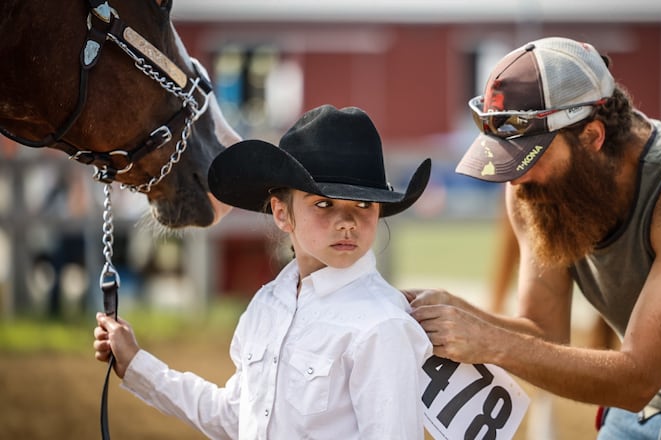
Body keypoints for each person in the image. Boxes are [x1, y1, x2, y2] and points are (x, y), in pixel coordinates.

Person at [406, 36, 661, 438]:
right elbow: (544, 333)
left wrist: (488, 341)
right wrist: (457, 313)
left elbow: (636, 379)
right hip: (645, 409)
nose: (515, 179)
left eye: (528, 156)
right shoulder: (532, 189)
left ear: (591, 137)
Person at [93, 104, 433, 439]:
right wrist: (136, 365)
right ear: (282, 213)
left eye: (364, 205)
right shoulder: (269, 304)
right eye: (324, 204)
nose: (347, 223)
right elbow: (235, 417)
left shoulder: (382, 326)